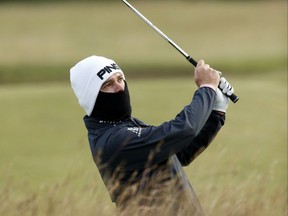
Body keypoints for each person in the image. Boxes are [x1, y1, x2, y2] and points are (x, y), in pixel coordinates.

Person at [70, 55, 234, 215]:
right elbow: (183, 130)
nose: (120, 87)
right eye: (107, 84)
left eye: (120, 79)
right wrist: (207, 89)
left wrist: (216, 112)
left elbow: (179, 154)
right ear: (92, 97)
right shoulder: (114, 141)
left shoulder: (125, 126)